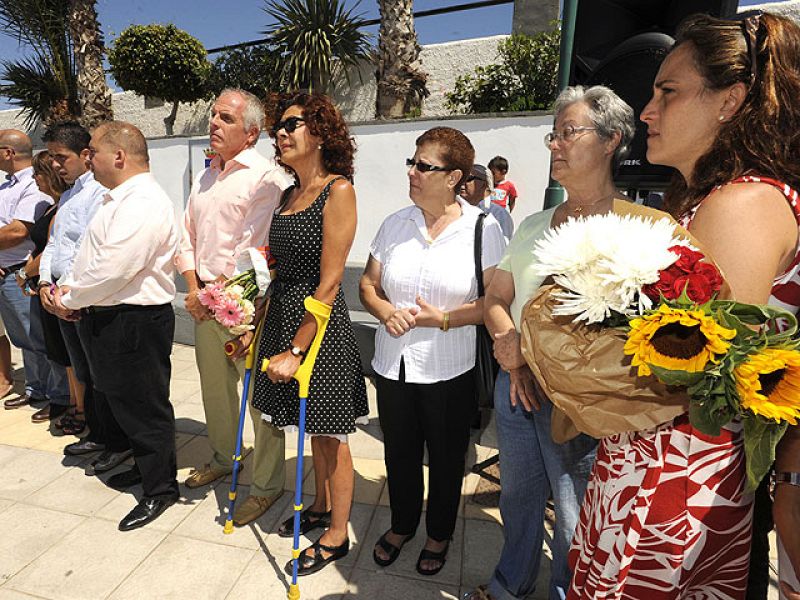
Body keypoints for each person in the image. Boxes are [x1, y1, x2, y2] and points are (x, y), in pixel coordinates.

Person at [569, 13, 800, 599]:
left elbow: (696, 375)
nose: (647, 111)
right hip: (658, 472)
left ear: (729, 101)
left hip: (675, 488)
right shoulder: (718, 199)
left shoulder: (743, 204)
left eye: (667, 92)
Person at [463, 85, 635, 600]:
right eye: (552, 135)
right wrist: (511, 349)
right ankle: (510, 585)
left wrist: (537, 356)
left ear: (611, 140)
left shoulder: (635, 229)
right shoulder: (535, 225)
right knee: (517, 497)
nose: (554, 145)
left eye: (568, 133)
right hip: (516, 386)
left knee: (575, 507)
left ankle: (568, 591)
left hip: (581, 400)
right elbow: (497, 297)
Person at [360, 127, 506, 577]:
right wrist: (385, 311)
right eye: (413, 162)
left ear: (454, 177)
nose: (412, 172)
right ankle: (403, 524)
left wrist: (442, 318)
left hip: (449, 369)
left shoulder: (482, 229)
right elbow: (368, 284)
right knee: (399, 454)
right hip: (392, 365)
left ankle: (439, 534)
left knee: (446, 459)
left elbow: (495, 302)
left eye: (424, 166)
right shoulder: (394, 224)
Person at [250, 91, 368, 576]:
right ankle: (320, 504)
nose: (280, 133)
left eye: (291, 124)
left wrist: (298, 348)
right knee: (313, 427)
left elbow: (331, 281)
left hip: (319, 326)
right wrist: (256, 316)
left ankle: (337, 534)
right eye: (278, 127)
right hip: (285, 315)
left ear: (319, 132)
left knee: (332, 433)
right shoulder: (288, 195)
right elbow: (277, 268)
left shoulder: (337, 191)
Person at [55, 121, 179, 531]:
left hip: (134, 320)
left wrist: (69, 298)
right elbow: (91, 259)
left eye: (93, 151)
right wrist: (70, 290)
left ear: (119, 156)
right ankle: (146, 469)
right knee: (124, 402)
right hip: (111, 317)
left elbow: (114, 268)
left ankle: (161, 489)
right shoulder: (118, 199)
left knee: (145, 407)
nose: (88, 158)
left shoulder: (142, 201)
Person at [176, 88, 288, 526]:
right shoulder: (207, 175)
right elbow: (186, 234)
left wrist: (214, 295)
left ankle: (267, 485)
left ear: (252, 132)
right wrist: (194, 288)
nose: (214, 123)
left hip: (247, 302)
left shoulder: (265, 178)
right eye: (213, 115)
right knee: (215, 390)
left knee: (260, 399)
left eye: (226, 118)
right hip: (204, 300)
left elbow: (252, 249)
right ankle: (226, 456)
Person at [37, 123, 114, 449]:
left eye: (61, 157)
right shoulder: (69, 194)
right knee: (81, 369)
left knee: (96, 373)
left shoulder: (98, 194)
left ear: (85, 155)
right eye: (52, 157)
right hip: (61, 295)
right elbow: (55, 244)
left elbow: (87, 248)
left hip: (78, 296)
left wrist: (64, 293)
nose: (55, 164)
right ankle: (96, 434)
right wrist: (44, 281)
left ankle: (107, 439)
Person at [0, 130, 69, 418]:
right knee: (23, 339)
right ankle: (36, 389)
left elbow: (18, 231)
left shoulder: (32, 184)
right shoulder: (6, 186)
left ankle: (59, 395)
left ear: (8, 152)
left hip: (21, 273)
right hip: (6, 272)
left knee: (38, 338)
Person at [16, 151, 79, 430]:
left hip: (56, 284)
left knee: (58, 348)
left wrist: (24, 273)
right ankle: (63, 398)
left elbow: (52, 248)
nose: (34, 179)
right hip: (44, 283)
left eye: (38, 173)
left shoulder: (62, 207)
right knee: (50, 344)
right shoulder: (52, 206)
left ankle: (65, 400)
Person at [461, 164, 514, 240]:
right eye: (460, 178)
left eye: (468, 178)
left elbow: (502, 243)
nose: (462, 182)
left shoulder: (498, 214)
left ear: (484, 184)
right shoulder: (454, 209)